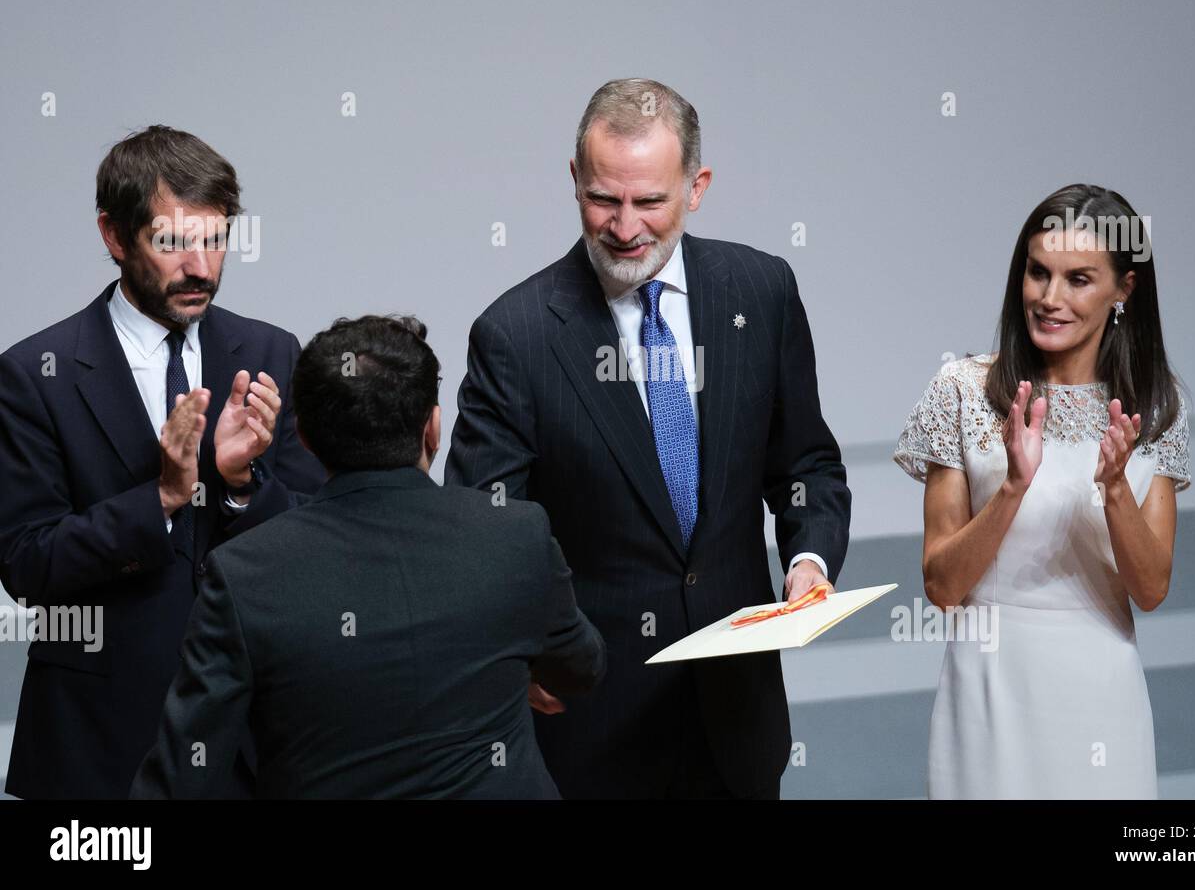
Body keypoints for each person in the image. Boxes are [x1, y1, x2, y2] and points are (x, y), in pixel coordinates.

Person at [446, 78, 851, 799]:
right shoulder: (516, 336)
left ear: (697, 187)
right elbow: (484, 529)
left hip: (739, 721)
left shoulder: (762, 291)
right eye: (604, 199)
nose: (624, 226)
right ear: (574, 181)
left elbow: (807, 464)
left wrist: (809, 561)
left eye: (650, 202)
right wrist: (519, 647)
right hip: (594, 730)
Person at [131, 315, 605, 799]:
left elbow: (182, 778)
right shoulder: (517, 533)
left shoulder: (242, 575)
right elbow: (580, 666)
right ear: (433, 429)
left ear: (307, 440)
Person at [0, 125, 324, 798]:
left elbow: (319, 538)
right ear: (115, 237)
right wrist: (164, 497)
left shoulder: (272, 353)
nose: (201, 267)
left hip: (255, 745)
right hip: (97, 749)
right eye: (174, 242)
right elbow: (27, 563)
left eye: (215, 239)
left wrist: (240, 485)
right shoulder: (35, 374)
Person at [893, 183, 1190, 799]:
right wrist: (1012, 488)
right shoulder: (964, 390)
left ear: (1123, 291)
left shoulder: (1156, 407)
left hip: (1101, 695)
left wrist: (1114, 491)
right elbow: (942, 587)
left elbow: (1151, 588)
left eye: (1078, 279)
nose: (1049, 298)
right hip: (989, 690)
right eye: (1037, 273)